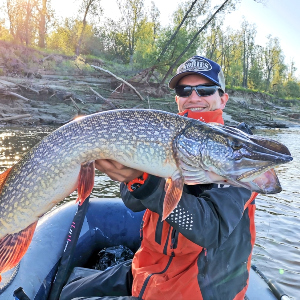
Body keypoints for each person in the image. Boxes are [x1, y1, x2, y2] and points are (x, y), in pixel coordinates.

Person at [60, 56, 256, 300]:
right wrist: (132, 176)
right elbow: (133, 202)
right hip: (147, 272)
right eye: (185, 90)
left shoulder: (236, 153)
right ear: (177, 99)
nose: (194, 97)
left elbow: (211, 230)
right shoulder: (162, 136)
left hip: (194, 291)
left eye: (205, 90)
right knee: (67, 292)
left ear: (223, 98)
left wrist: (147, 181)